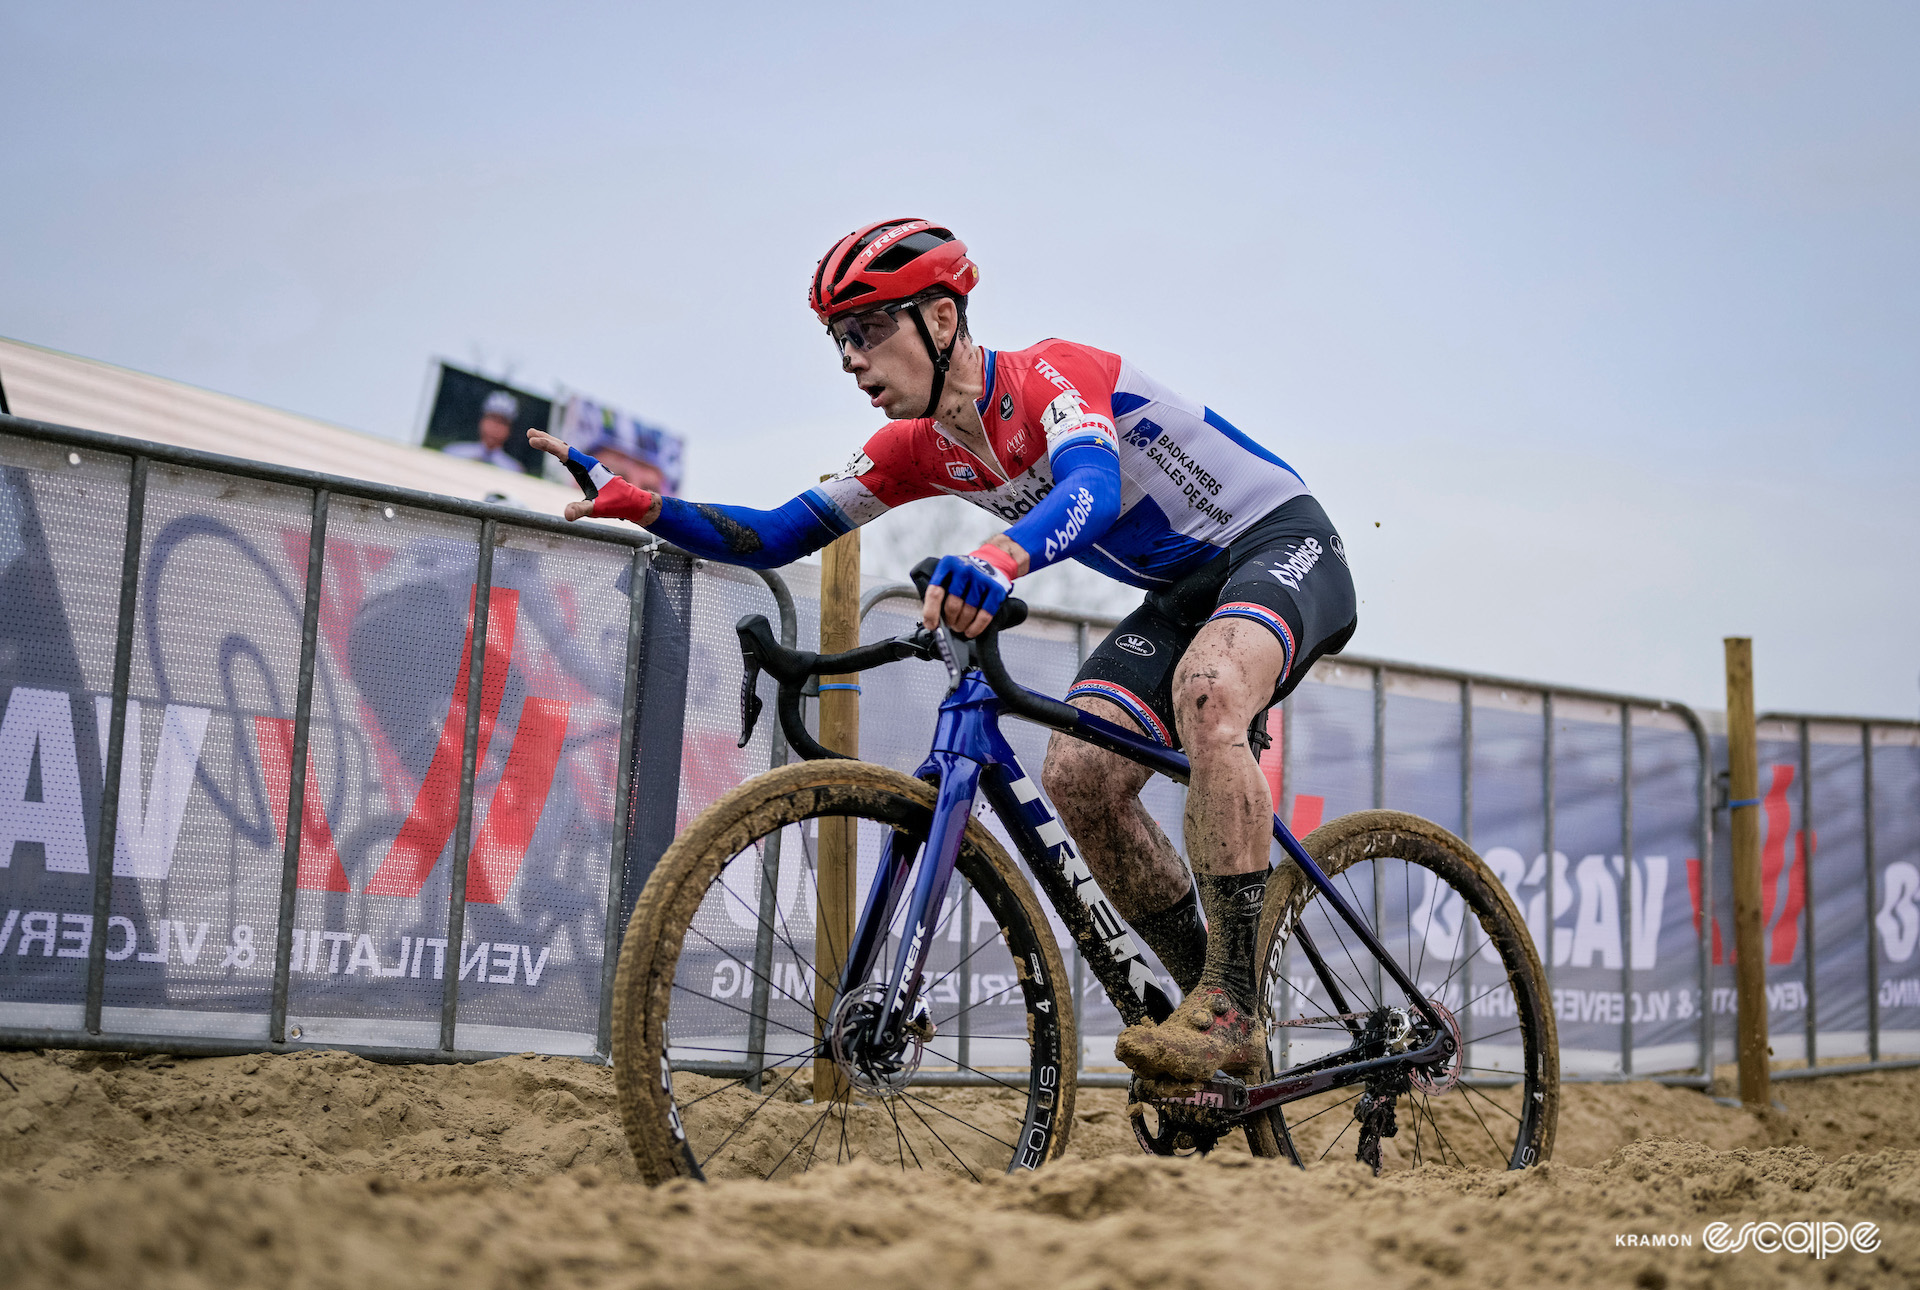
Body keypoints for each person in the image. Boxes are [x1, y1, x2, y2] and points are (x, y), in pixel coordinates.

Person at [528, 218, 1357, 1087]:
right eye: (838, 339)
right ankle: (1208, 994)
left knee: (1210, 692)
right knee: (1077, 770)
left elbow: (1093, 487)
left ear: (941, 317)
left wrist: (1000, 558)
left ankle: (1231, 1005)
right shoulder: (916, 451)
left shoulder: (1052, 376)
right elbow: (778, 534)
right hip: (1187, 592)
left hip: (1279, 543)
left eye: (867, 329)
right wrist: (644, 504)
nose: (851, 358)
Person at [444, 389, 526, 474]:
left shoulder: (513, 470)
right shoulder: (453, 452)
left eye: (502, 422)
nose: (495, 426)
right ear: (481, 421)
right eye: (492, 418)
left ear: (509, 430)